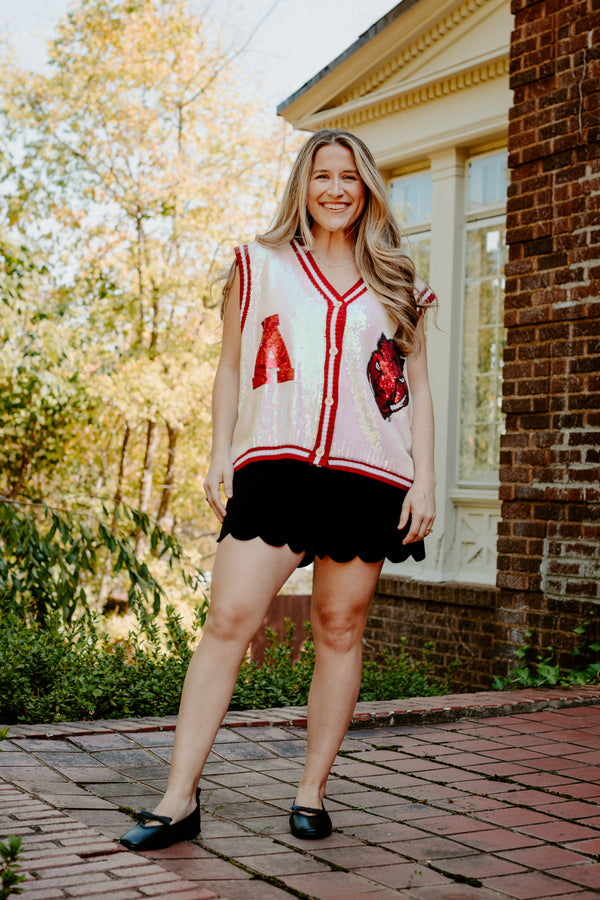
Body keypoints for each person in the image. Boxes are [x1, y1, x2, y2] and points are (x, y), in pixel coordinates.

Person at [120, 128, 436, 851]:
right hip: (276, 467)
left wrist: (427, 481)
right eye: (322, 174)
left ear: (367, 190)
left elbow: (415, 388)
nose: (335, 189)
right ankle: (177, 798)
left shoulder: (399, 283)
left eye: (349, 177)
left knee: (339, 629)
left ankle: (311, 792)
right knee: (228, 619)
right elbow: (230, 366)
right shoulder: (256, 265)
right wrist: (219, 454)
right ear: (303, 184)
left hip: (370, 476)